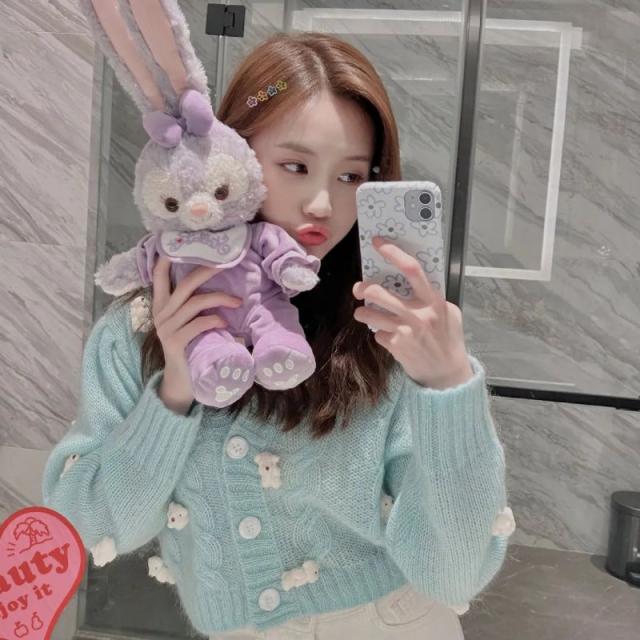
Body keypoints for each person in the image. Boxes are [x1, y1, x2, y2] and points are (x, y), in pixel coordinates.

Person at [41, 31, 513, 640]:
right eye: (295, 166)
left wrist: (448, 386)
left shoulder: (386, 332)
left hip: (390, 623)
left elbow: (454, 574)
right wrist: (174, 393)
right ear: (232, 154)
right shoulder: (136, 333)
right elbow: (87, 527)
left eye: (351, 176)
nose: (322, 203)